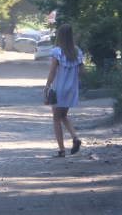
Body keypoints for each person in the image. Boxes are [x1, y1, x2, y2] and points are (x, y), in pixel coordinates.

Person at [43, 24, 85, 157]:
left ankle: (61, 150)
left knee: (56, 119)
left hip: (58, 89)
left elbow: (52, 72)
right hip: (71, 89)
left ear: (60, 35)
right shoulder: (77, 51)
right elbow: (82, 71)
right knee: (63, 116)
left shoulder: (57, 51)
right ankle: (75, 138)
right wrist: (72, 78)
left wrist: (46, 89)